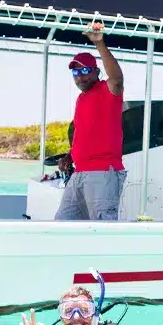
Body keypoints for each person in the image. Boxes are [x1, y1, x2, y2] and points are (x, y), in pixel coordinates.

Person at [54, 21, 127, 222]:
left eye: (85, 71)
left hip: (102, 172)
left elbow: (117, 79)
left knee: (103, 227)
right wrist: (70, 157)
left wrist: (99, 44)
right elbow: (83, 134)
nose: (80, 77)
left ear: (96, 72)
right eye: (76, 73)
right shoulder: (81, 99)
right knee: (63, 223)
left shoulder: (108, 90)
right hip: (79, 172)